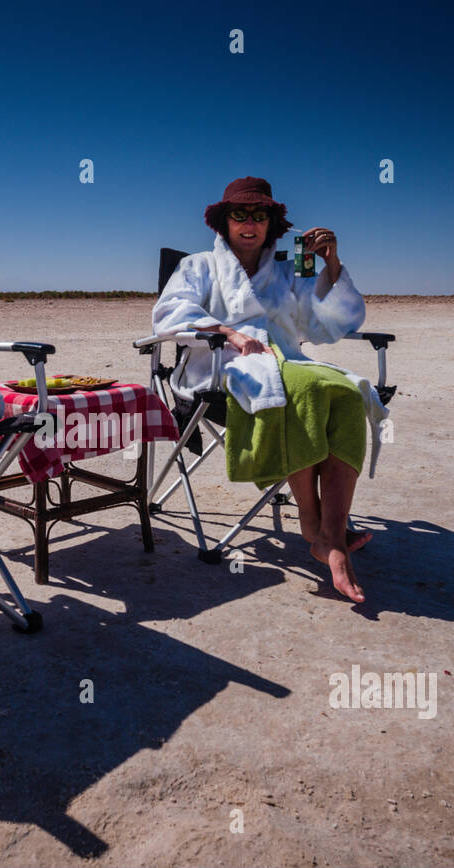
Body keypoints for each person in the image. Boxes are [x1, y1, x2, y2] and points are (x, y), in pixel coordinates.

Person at [152, 176, 386, 603]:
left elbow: (326, 323)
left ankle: (329, 534)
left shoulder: (287, 268)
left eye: (259, 215)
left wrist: (332, 266)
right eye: (239, 214)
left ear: (271, 225)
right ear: (224, 223)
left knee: (348, 395)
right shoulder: (199, 266)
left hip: (289, 363)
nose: (249, 222)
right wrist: (227, 332)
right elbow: (169, 316)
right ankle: (316, 529)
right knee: (306, 391)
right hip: (219, 370)